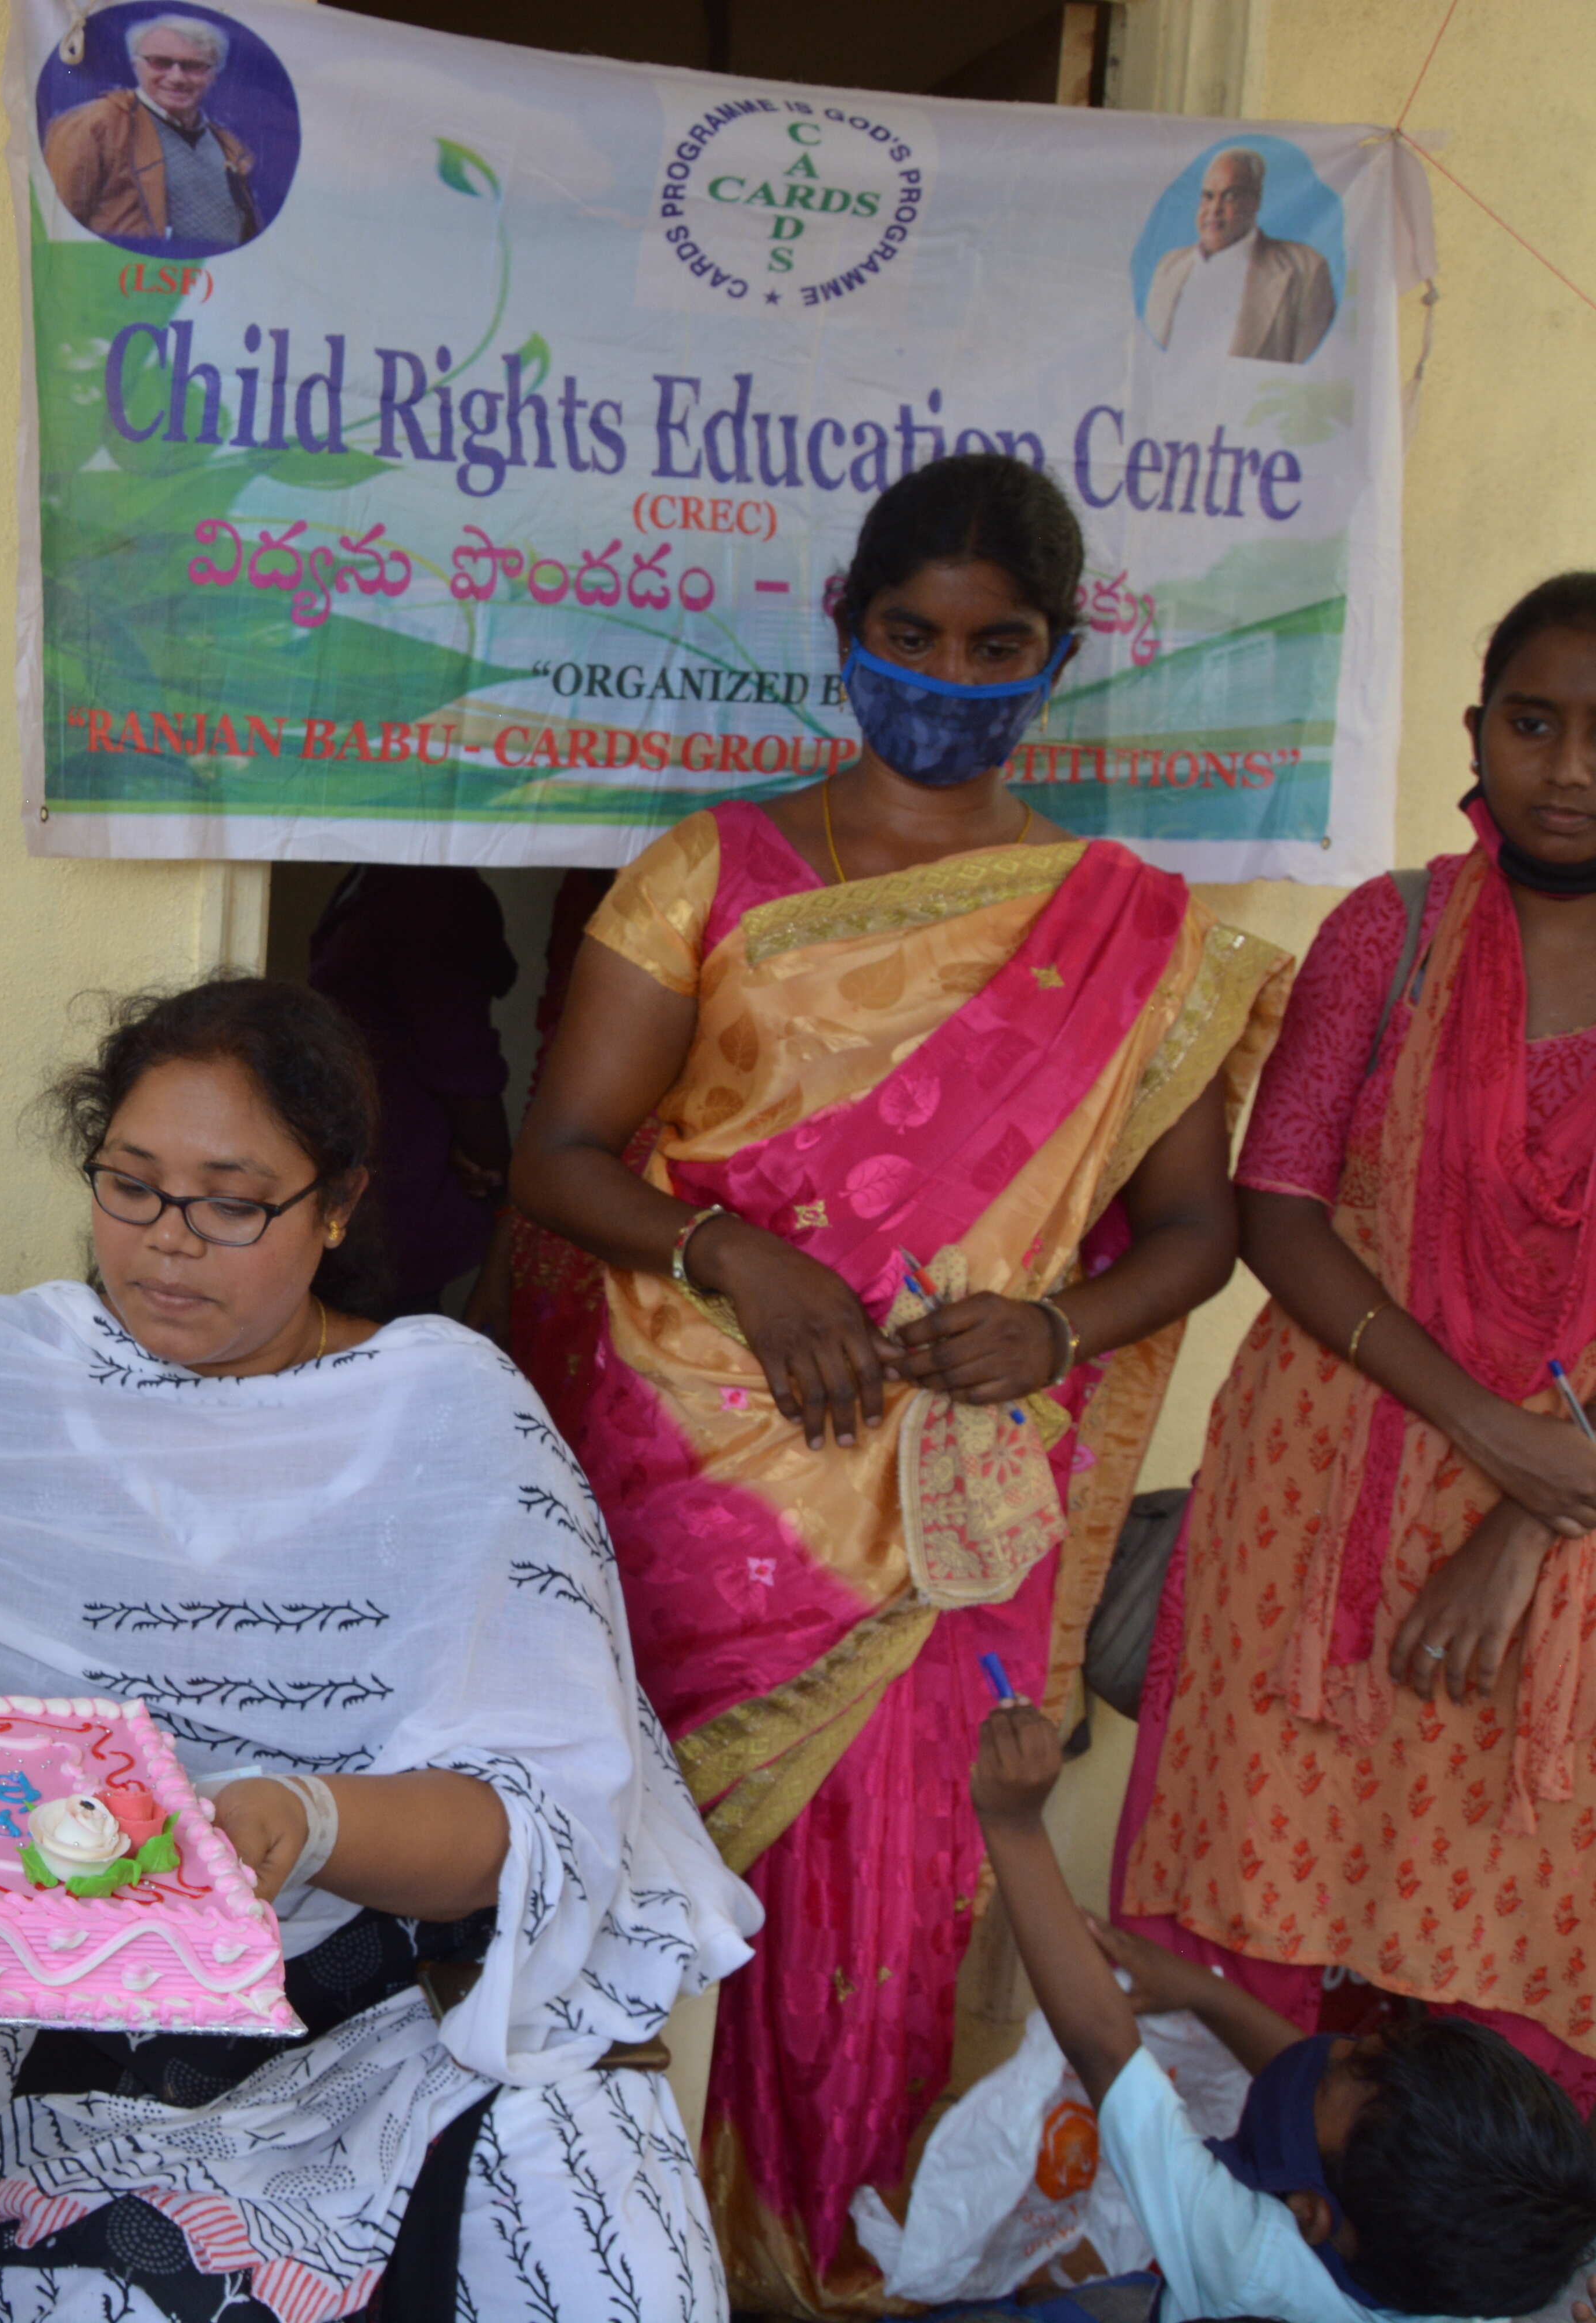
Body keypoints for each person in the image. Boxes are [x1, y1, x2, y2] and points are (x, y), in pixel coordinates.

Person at [0, 977, 760, 2323]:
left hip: (419, 2019)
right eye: (132, 1186)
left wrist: (308, 1817)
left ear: (336, 1204)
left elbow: (526, 1825)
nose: (168, 1240)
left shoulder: (447, 1412)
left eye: (231, 1202)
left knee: (606, 2261)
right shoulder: (4, 1381)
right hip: (100, 2047)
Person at [506, 452, 1288, 2317]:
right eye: (908, 633)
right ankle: (614, 2266)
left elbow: (1195, 1232)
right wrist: (738, 1256)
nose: (945, 675)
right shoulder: (707, 873)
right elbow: (561, 1158)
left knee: (897, 1909)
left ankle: (833, 2274)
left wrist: (1058, 1332)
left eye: (994, 645)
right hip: (695, 1482)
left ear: (1058, 655)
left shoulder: (1132, 926)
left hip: (948, 1502)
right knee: (629, 1886)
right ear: (841, 629)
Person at [1118, 574, 1596, 2114]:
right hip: (1321, 1506)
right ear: (1476, 730)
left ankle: (1480, 2225)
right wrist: (1488, 1425)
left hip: (1574, 1531)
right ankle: (1251, 2202)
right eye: (1534, 723)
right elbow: (1279, 1203)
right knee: (1272, 1869)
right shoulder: (1389, 933)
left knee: (1518, 1917)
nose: (1570, 767)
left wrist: (1529, 1514)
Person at [977, 1700, 1596, 2322]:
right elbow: (1307, 2092)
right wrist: (1204, 1994)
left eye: (1340, 2066)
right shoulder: (1464, 2279)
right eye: (1361, 2047)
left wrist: (1015, 1824)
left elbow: (1104, 2049)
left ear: (1308, 2214)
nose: (1329, 2048)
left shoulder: (1249, 2257)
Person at [303, 865, 517, 1317]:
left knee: (380, 1329)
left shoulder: (434, 891)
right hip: (356, 1156)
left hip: (399, 1179)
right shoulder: (372, 874)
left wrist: (495, 1170)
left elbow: (461, 1057)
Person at [42, 13, 261, 254]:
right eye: (160, 62)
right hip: (124, 276)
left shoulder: (229, 147)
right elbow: (54, 225)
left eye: (194, 66)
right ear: (136, 65)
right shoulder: (95, 125)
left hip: (215, 277)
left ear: (214, 75)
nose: (177, 78)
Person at [1145, 146, 1336, 364]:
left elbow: (1310, 373)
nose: (1214, 209)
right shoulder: (1169, 266)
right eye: (1208, 196)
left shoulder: (1306, 270)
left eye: (1230, 196)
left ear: (1256, 201)